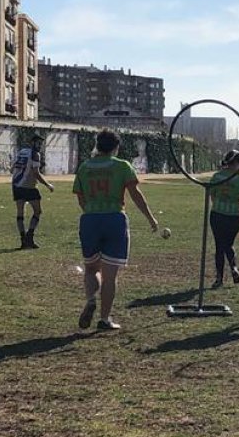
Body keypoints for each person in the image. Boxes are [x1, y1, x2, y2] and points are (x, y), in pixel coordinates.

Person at [73, 129, 161, 331]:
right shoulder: (122, 166)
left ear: (97, 145)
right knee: (110, 275)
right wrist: (150, 218)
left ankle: (90, 299)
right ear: (116, 147)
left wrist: (92, 212)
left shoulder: (85, 167)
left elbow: (80, 197)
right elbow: (135, 194)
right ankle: (104, 319)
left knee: (91, 268)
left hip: (90, 220)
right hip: (115, 219)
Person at [208, 150, 239, 288]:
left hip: (217, 214)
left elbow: (212, 195)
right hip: (234, 216)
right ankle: (233, 267)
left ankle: (219, 278)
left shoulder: (217, 176)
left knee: (219, 246)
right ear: (237, 163)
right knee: (228, 244)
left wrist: (219, 204)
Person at [11, 134, 55, 249]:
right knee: (38, 211)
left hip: (16, 184)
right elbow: (36, 173)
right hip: (28, 186)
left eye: (41, 143)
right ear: (33, 143)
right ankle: (29, 237)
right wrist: (48, 185)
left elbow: (13, 167)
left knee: (20, 212)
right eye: (38, 143)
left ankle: (23, 239)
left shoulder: (22, 151)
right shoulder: (35, 154)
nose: (39, 145)